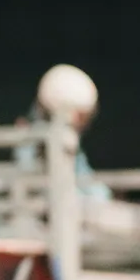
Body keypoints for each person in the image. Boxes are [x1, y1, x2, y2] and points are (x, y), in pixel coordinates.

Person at [14, 64, 112, 201]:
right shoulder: (35, 139)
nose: (84, 122)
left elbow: (89, 183)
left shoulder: (67, 140)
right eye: (81, 115)